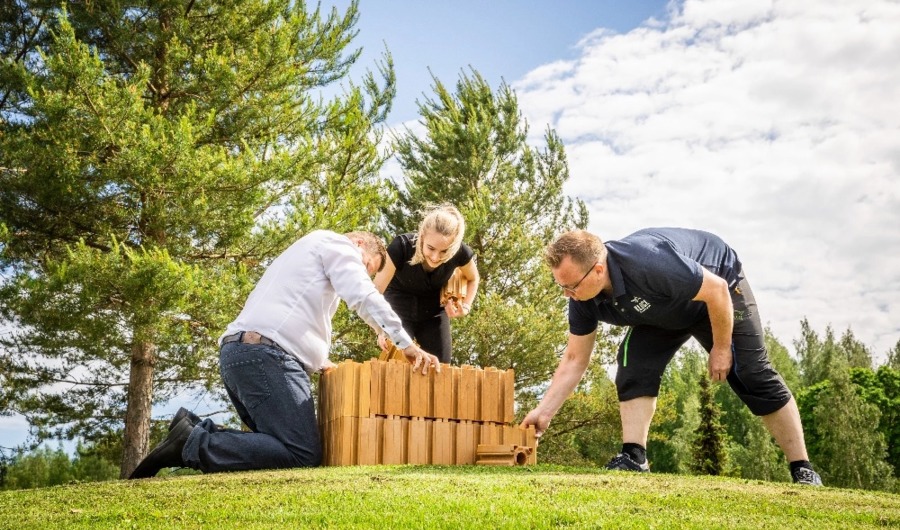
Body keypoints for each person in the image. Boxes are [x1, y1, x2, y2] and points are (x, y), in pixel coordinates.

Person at [521, 228, 823, 486]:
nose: (566, 294)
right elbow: (575, 358)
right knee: (632, 366)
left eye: (571, 285)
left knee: (750, 373)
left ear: (598, 269)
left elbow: (716, 290)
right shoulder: (582, 298)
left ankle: (804, 469)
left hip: (718, 292)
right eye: (561, 286)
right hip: (662, 311)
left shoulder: (649, 262)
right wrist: (544, 412)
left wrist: (720, 348)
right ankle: (634, 458)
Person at [129, 230, 440, 479]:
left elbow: (296, 313)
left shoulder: (305, 251)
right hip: (266, 357)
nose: (364, 272)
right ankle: (191, 442)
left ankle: (190, 426)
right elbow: (362, 295)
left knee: (275, 445)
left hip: (238, 354)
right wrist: (406, 344)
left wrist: (317, 360)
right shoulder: (338, 245)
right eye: (368, 266)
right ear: (358, 243)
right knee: (302, 453)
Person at [373, 204, 480, 364]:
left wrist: (465, 307)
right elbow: (374, 292)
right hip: (397, 307)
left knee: (441, 366)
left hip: (433, 312)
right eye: (431, 248)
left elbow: (473, 278)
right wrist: (380, 328)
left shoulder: (460, 252)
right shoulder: (400, 247)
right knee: (399, 361)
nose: (436, 257)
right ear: (422, 236)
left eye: (444, 251)